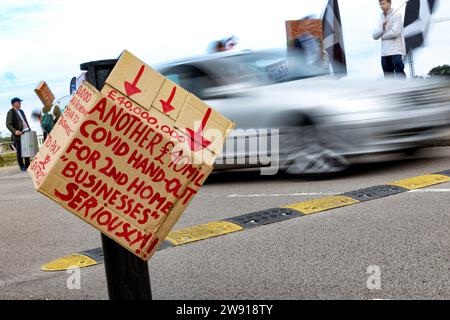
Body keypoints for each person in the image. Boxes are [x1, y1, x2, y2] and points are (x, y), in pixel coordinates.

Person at [373, 0, 407, 78]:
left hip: (395, 50)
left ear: (389, 3)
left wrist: (382, 36)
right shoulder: (380, 17)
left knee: (400, 75)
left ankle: (404, 89)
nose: (381, 6)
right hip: (384, 52)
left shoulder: (397, 14)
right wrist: (382, 29)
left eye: (383, 3)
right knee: (388, 78)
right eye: (380, 4)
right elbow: (374, 36)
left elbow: (395, 32)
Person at [6, 97, 31, 171]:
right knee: (20, 151)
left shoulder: (21, 111)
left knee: (27, 151)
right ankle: (22, 166)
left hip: (26, 132)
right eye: (19, 102)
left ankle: (28, 165)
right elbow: (8, 124)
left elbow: (25, 121)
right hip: (18, 134)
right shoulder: (10, 112)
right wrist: (15, 131)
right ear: (14, 104)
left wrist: (29, 129)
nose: (20, 103)